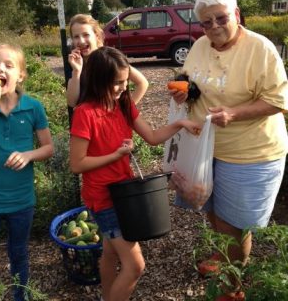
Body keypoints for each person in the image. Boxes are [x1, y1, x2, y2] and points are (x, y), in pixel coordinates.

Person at [169, 0, 288, 300]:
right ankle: (223, 259)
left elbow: (278, 101)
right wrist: (185, 89)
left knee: (233, 224)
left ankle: (232, 288)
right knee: (213, 211)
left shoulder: (259, 49)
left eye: (220, 18)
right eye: (206, 23)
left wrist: (234, 113)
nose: (214, 28)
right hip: (207, 150)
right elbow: (191, 79)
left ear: (236, 14)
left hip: (251, 153)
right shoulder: (199, 46)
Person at [69, 46, 202, 301]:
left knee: (109, 252)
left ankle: (108, 295)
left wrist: (180, 124)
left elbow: (152, 137)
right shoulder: (85, 114)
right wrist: (116, 155)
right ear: (98, 80)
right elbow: (77, 164)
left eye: (124, 82)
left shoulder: (123, 104)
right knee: (135, 266)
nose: (122, 88)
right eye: (116, 83)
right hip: (103, 198)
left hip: (124, 194)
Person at [0, 43, 54, 301]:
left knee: (19, 254)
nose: (0, 68)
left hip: (21, 200)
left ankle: (20, 296)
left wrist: (28, 155)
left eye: (8, 65)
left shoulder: (33, 107)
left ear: (21, 75)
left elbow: (48, 148)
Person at [66, 14, 148, 108]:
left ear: (96, 35)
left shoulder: (108, 58)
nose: (81, 41)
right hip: (87, 120)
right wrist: (76, 71)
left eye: (86, 35)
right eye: (76, 37)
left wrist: (125, 110)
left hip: (108, 120)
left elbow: (142, 83)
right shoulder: (75, 62)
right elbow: (72, 102)